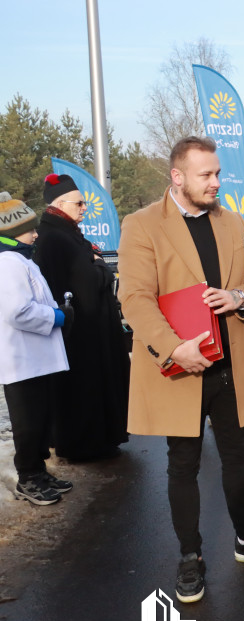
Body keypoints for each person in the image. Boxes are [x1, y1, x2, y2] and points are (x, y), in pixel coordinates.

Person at [118, 136, 244, 603]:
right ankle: (190, 557)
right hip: (182, 367)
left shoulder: (231, 221)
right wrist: (175, 349)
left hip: (230, 364)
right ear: (177, 177)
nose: (216, 182)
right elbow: (134, 297)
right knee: (184, 463)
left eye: (217, 174)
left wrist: (238, 297)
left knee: (238, 456)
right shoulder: (141, 225)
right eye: (206, 175)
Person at [33, 173, 129, 461]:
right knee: (83, 390)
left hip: (85, 325)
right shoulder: (57, 238)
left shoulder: (61, 234)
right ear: (60, 204)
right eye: (80, 203)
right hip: (82, 330)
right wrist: (102, 268)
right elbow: (86, 280)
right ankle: (86, 445)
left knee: (90, 387)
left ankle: (100, 438)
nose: (84, 208)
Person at [0, 192, 73, 505]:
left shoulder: (20, 259)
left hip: (35, 358)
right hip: (21, 360)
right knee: (28, 424)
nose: (35, 232)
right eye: (29, 228)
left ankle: (38, 471)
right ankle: (28, 478)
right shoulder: (8, 262)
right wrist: (56, 316)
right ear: (11, 232)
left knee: (40, 419)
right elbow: (17, 311)